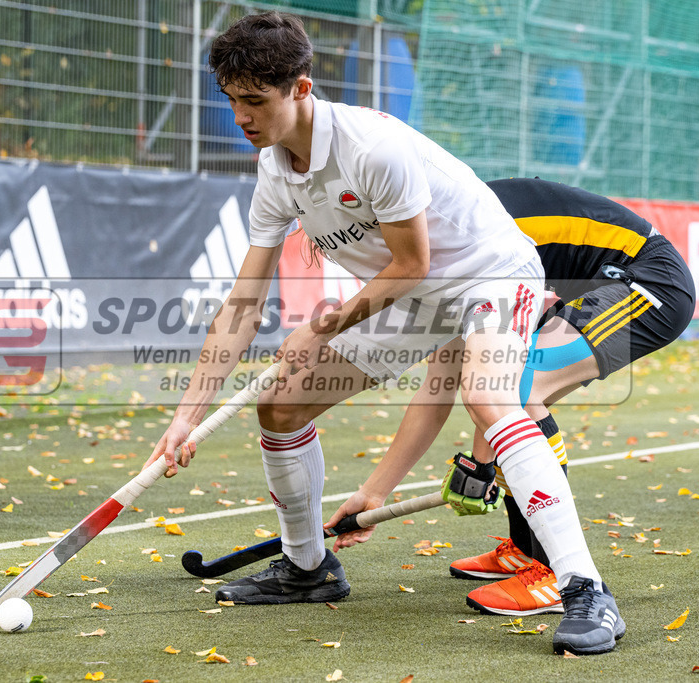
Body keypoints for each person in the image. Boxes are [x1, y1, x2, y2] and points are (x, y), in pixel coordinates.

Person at [144, 13, 622, 655]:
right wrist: (185, 417)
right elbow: (242, 303)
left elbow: (413, 262)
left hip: (491, 274)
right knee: (280, 405)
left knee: (489, 401)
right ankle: (307, 568)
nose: (242, 117)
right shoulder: (275, 170)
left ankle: (587, 591)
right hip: (414, 298)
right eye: (231, 100)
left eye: (256, 101)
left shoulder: (372, 147)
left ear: (301, 89)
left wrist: (325, 326)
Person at [324, 177, 695, 622]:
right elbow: (439, 385)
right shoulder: (442, 254)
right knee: (506, 386)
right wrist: (374, 494)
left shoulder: (467, 239)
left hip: (650, 281)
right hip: (595, 286)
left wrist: (481, 463)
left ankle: (552, 575)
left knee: (519, 386)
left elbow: (494, 393)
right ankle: (523, 552)